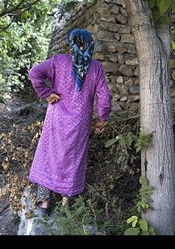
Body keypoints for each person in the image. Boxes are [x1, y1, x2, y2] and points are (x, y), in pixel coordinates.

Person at [28, 28, 112, 215]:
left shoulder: (58, 61)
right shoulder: (96, 67)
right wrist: (102, 119)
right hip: (80, 122)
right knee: (73, 158)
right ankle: (66, 203)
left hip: (56, 117)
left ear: (70, 45)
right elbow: (105, 97)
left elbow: (34, 73)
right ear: (90, 45)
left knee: (50, 154)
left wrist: (47, 94)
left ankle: (45, 204)